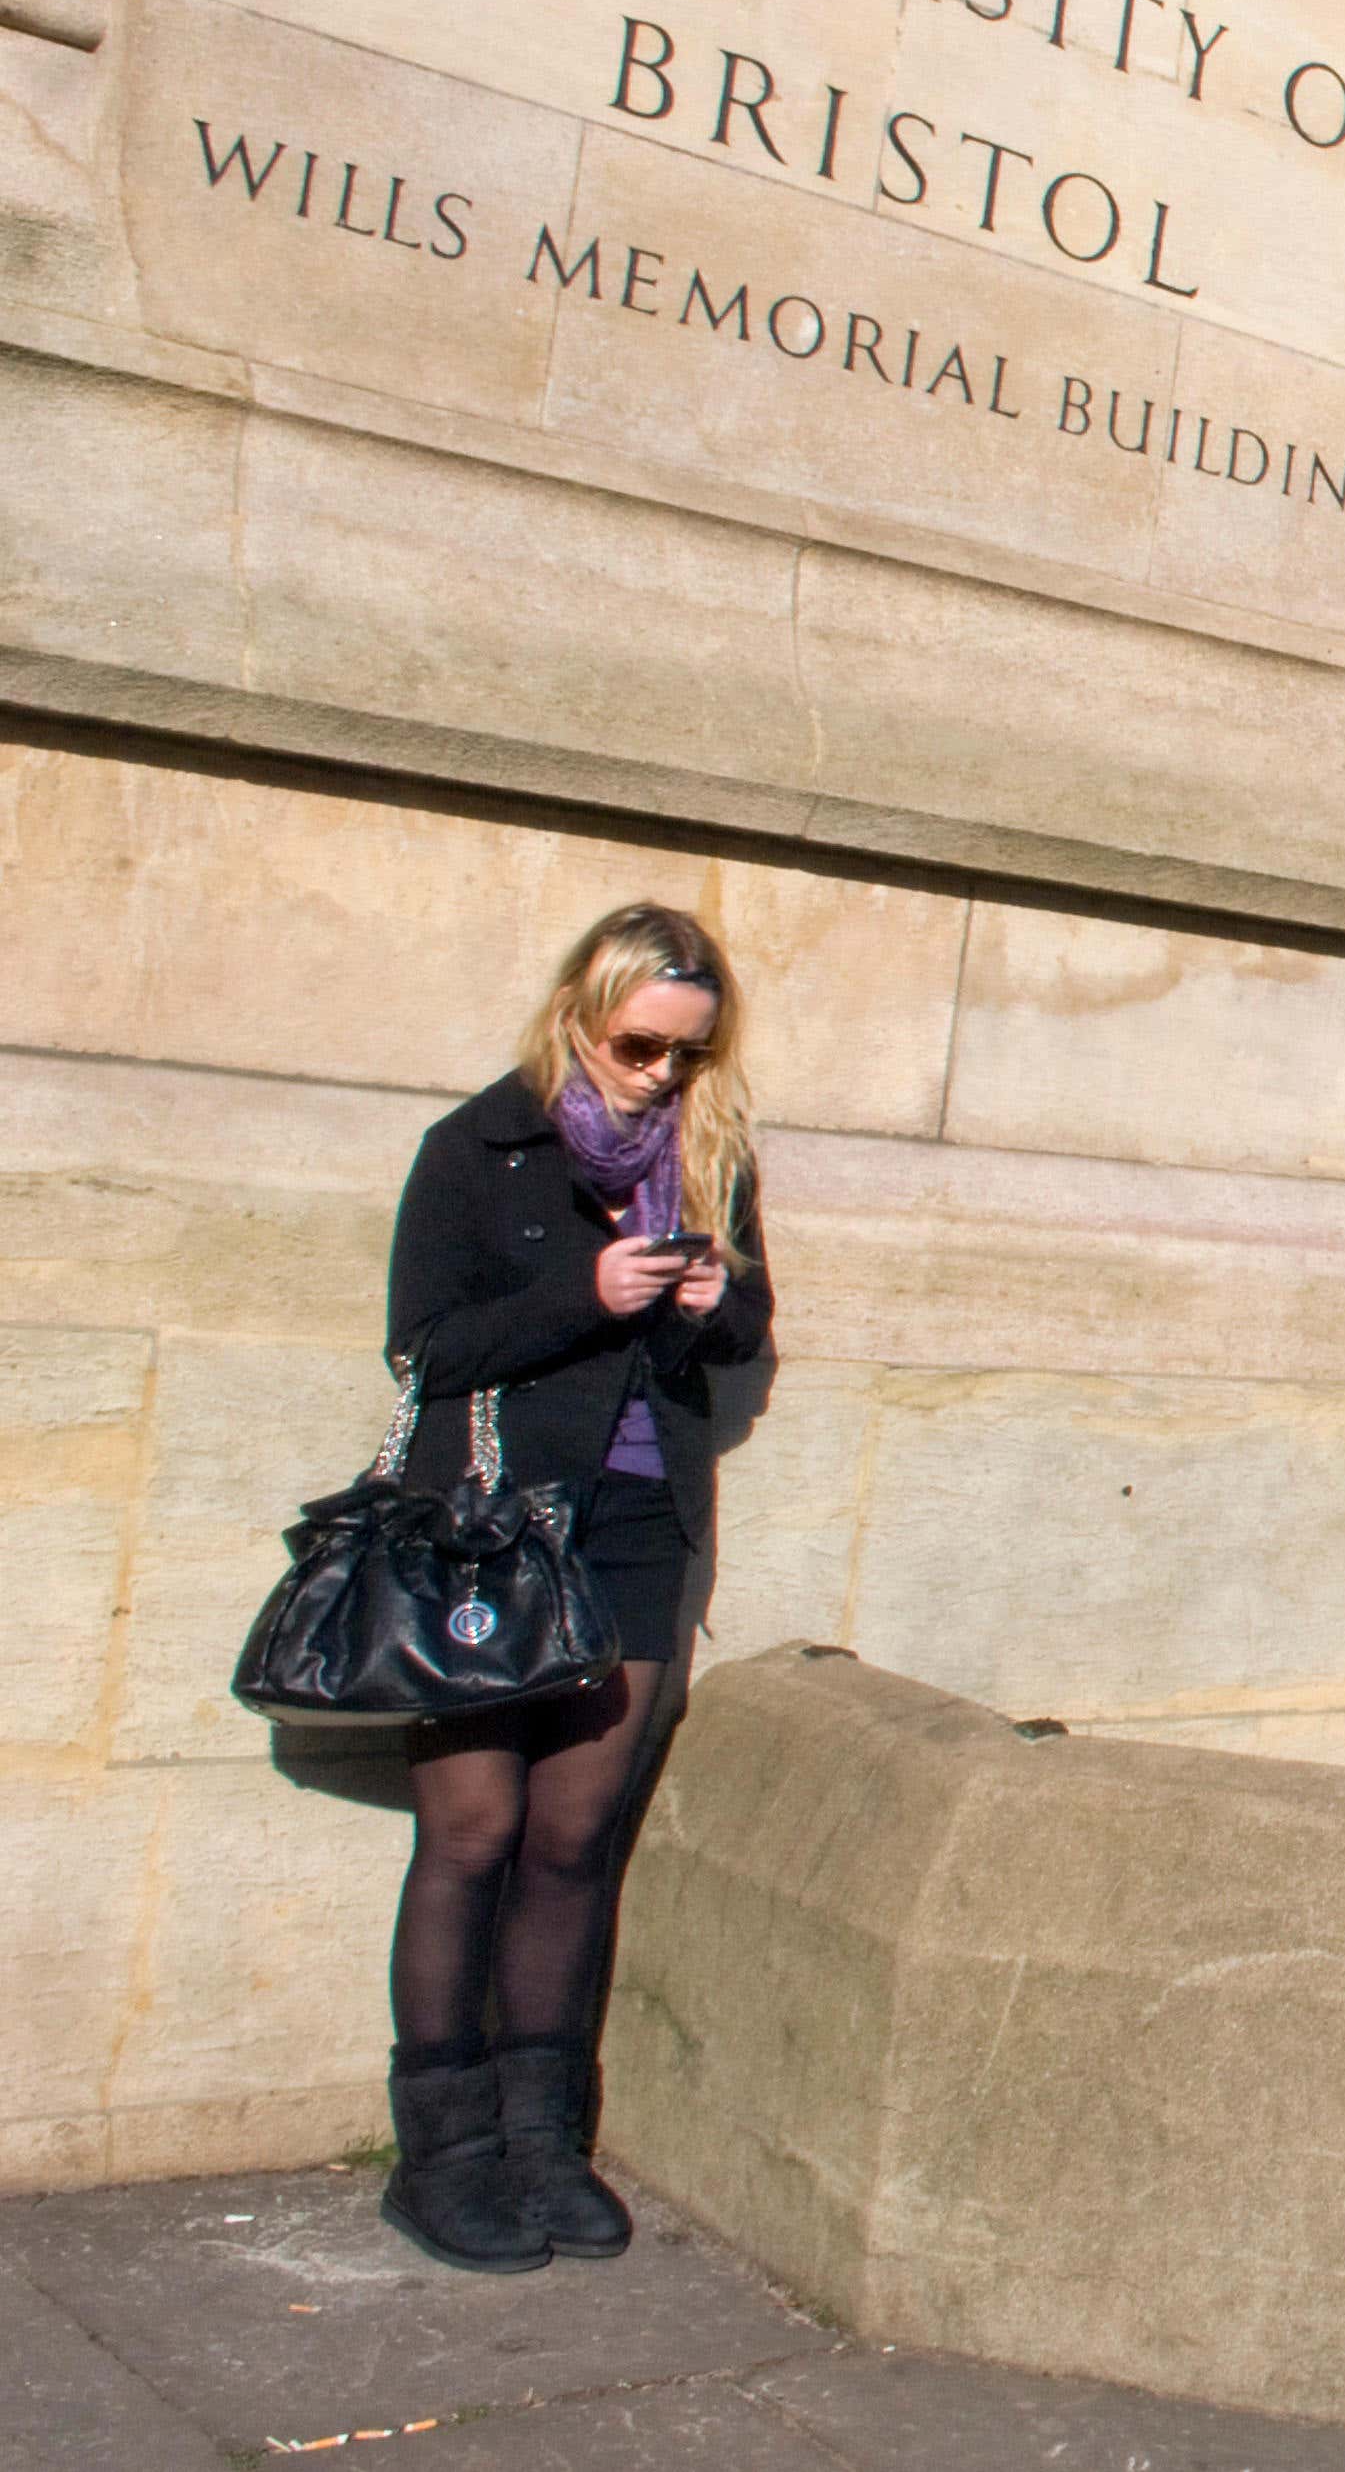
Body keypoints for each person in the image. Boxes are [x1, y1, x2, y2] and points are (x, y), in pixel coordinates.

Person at [373, 902, 772, 2273]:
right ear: (577, 1011)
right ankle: (445, 2155)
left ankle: (545, 2141)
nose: (660, 1076)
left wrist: (711, 1295)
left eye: (686, 1055)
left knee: (571, 1840)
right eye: (638, 1045)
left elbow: (750, 1330)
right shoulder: (477, 1147)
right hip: (488, 1530)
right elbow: (423, 1349)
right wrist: (586, 1295)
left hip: (633, 1528)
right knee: (475, 1831)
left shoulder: (707, 1149)